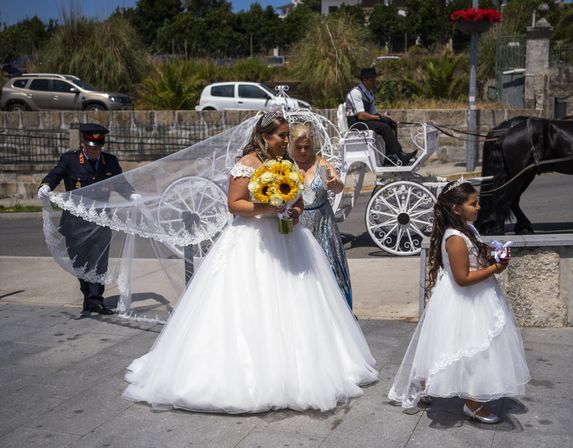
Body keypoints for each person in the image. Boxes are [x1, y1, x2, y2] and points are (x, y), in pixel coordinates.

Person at [123, 111, 378, 413]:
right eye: (282, 136)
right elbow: (234, 204)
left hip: (289, 240)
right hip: (252, 240)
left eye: (287, 136)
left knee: (297, 302)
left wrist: (293, 210)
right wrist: (267, 208)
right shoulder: (246, 166)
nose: (287, 141)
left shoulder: (286, 165)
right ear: (265, 136)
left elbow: (297, 198)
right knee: (251, 302)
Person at [387, 180, 529, 423]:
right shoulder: (454, 238)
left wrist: (493, 255)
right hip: (465, 300)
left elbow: (474, 258)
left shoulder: (467, 229)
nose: (479, 207)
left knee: (457, 347)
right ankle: (472, 404)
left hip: (477, 297)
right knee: (472, 352)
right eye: (473, 203)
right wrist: (496, 268)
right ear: (456, 209)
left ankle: (430, 385)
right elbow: (462, 278)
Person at [38, 123, 136, 316]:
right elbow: (55, 175)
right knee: (79, 263)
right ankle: (88, 297)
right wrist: (46, 185)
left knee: (99, 262)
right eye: (91, 147)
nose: (94, 151)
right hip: (75, 223)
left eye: (97, 147)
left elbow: (121, 183)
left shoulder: (110, 162)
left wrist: (132, 195)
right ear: (83, 143)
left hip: (101, 221)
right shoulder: (70, 160)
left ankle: (96, 300)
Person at [289, 123, 353, 309]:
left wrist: (334, 184)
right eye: (298, 147)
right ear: (291, 145)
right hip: (298, 224)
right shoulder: (286, 166)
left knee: (330, 266)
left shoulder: (321, 163)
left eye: (306, 147)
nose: (302, 151)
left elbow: (339, 185)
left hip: (323, 223)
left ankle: (336, 309)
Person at [345, 67, 417, 166]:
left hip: (365, 121)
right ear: (364, 80)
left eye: (375, 80)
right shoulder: (356, 92)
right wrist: (379, 118)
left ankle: (391, 156)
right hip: (356, 123)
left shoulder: (369, 93)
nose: (374, 83)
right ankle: (399, 155)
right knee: (384, 127)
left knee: (390, 124)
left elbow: (373, 113)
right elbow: (361, 115)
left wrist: (384, 117)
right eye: (372, 80)